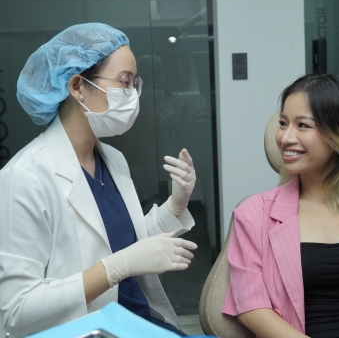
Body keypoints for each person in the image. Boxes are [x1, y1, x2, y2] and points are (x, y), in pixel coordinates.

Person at [0, 23, 198, 337]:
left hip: (137, 321)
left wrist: (176, 205)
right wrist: (114, 269)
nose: (132, 95)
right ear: (77, 86)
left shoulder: (111, 159)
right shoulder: (24, 178)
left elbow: (125, 242)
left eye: (135, 84)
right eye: (124, 82)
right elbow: (15, 312)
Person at [223, 74, 339, 338]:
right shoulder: (253, 214)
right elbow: (252, 308)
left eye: (302, 125)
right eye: (283, 124)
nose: (285, 137)